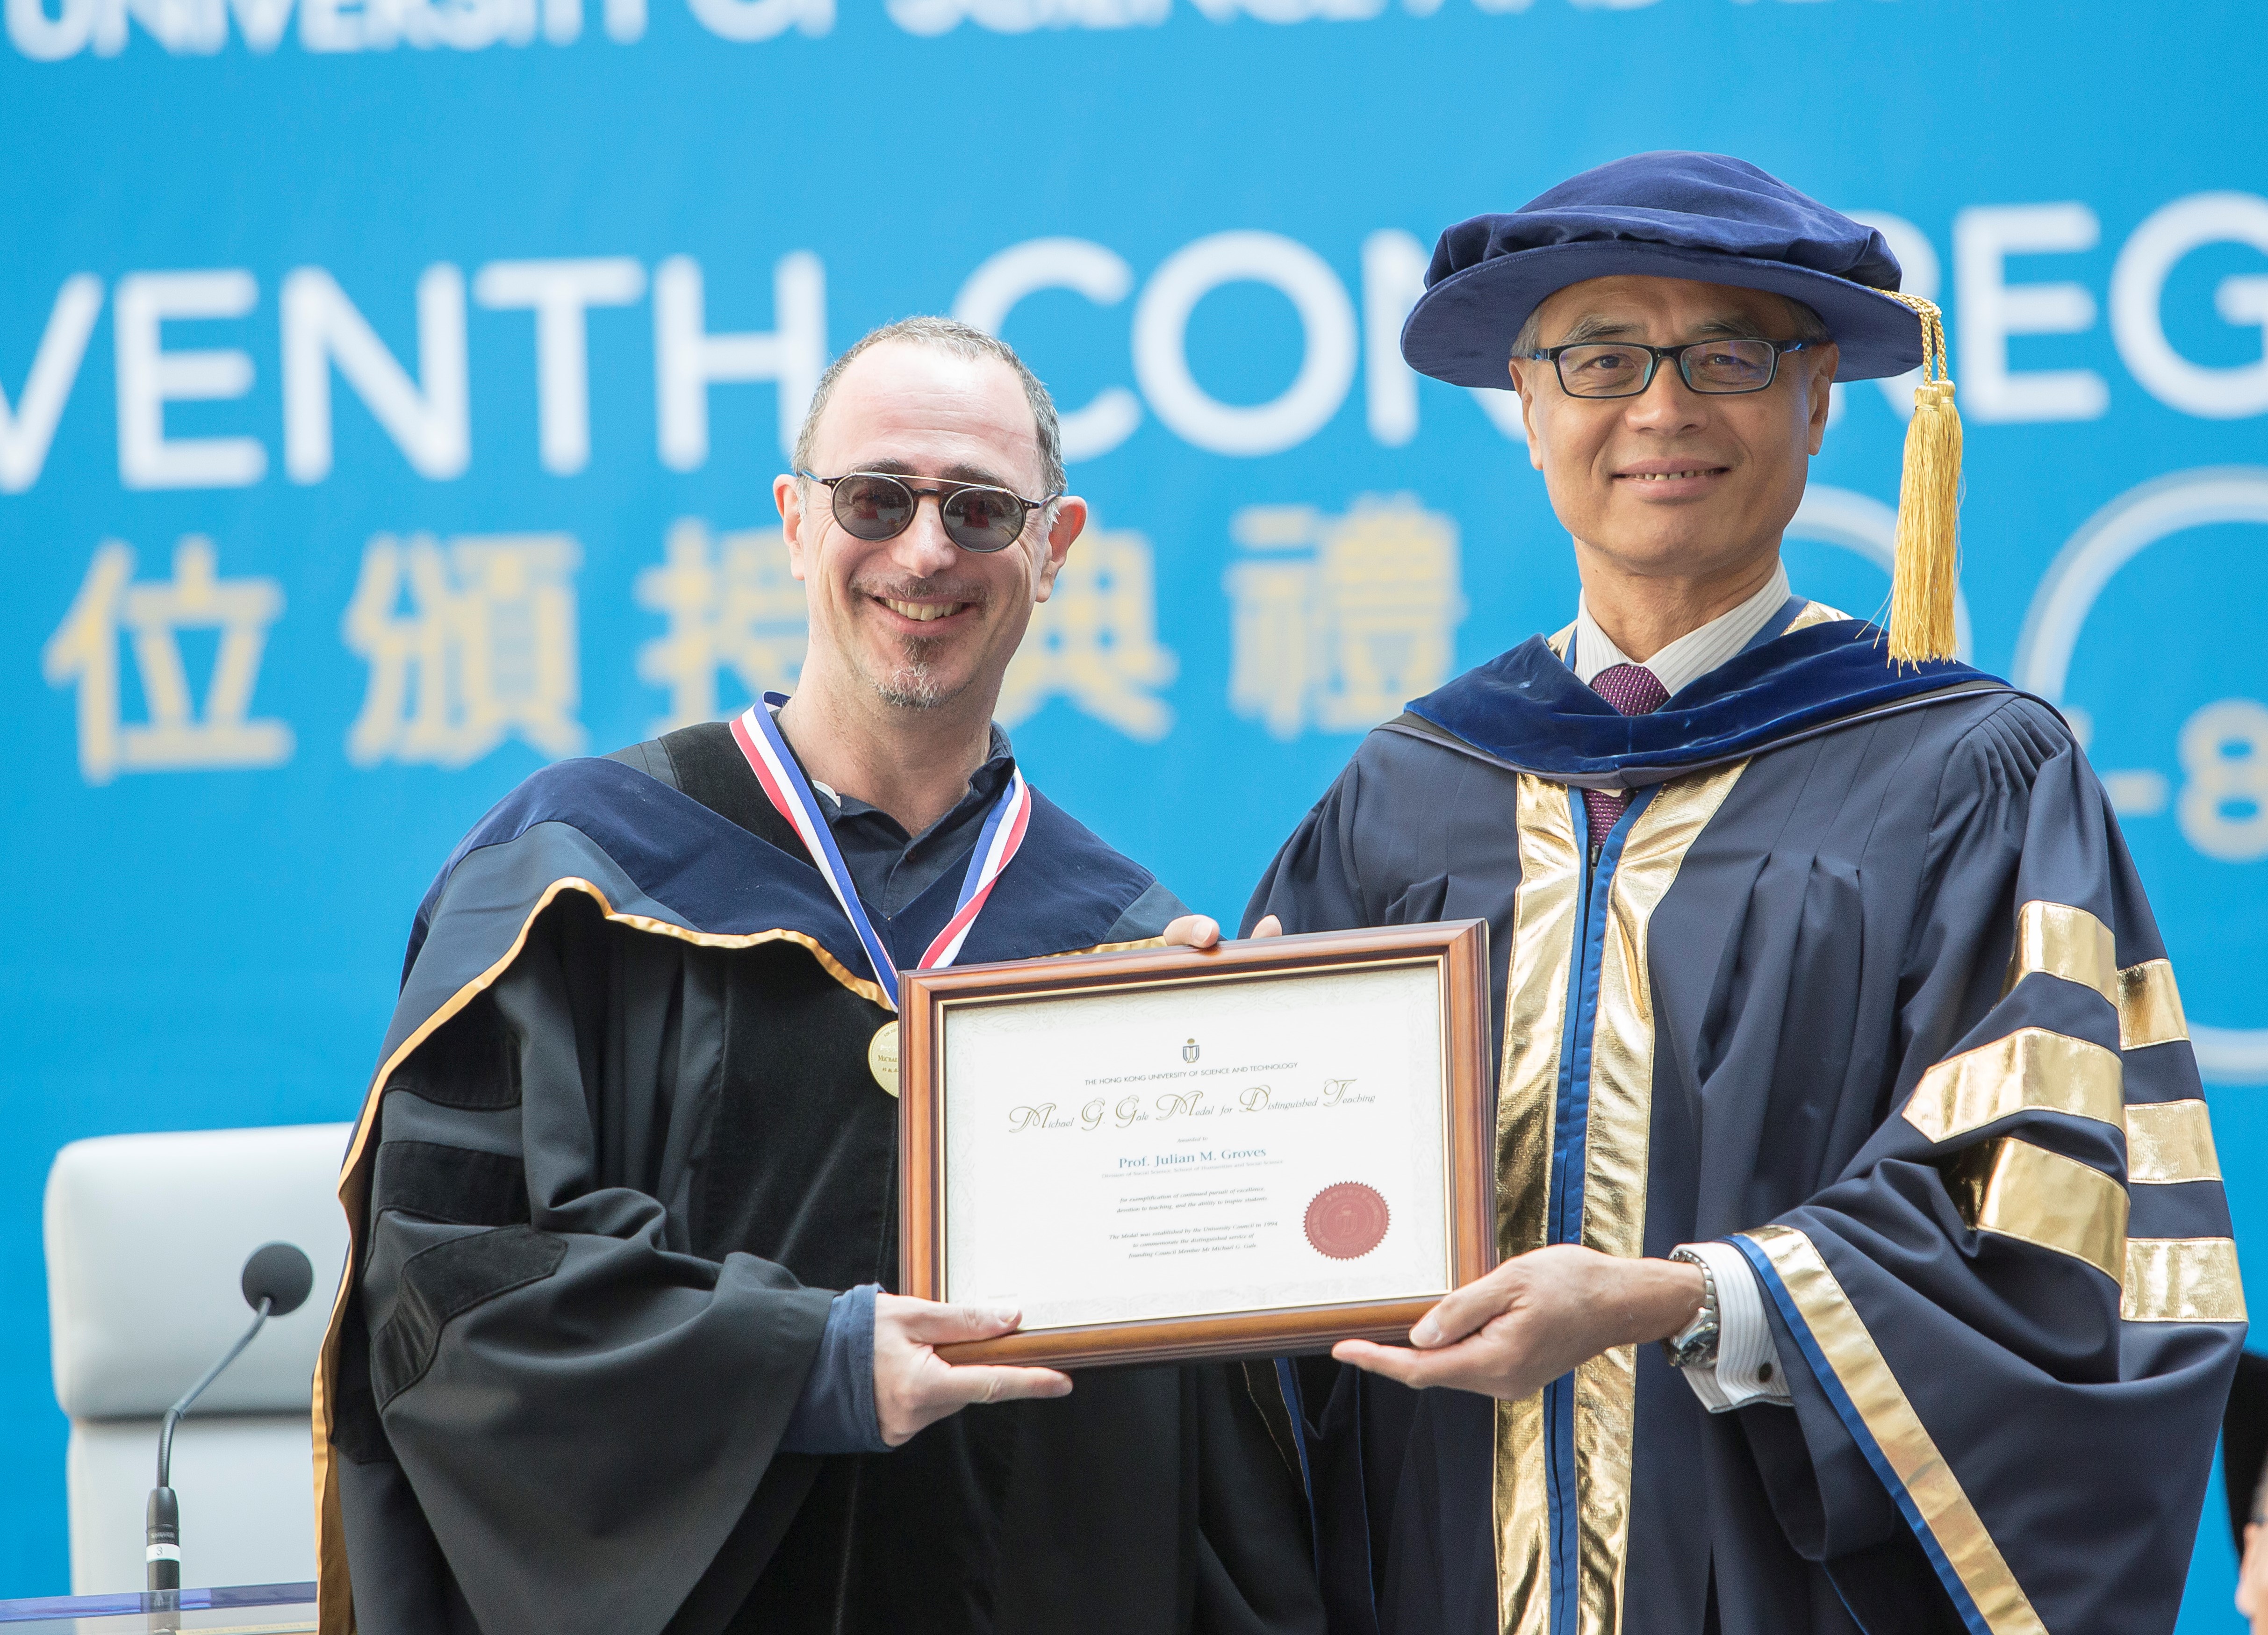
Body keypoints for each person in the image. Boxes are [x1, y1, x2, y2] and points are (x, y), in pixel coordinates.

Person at [1243, 152, 2246, 1635]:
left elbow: (2044, 1226)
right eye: (1600, 358)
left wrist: (1685, 1297)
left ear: (1817, 400)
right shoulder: (1406, 790)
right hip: (1440, 1570)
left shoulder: (1969, 774)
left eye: (1725, 354)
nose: (1659, 407)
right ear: (1527, 407)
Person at [313, 317, 1322, 1635]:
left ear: (1051, 548)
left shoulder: (1126, 945)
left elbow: (1206, 1445)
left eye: (978, 509)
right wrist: (809, 1363)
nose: (923, 550)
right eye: (875, 498)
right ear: (795, 522)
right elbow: (449, 1292)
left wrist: (1245, 1102)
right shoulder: (570, 877)